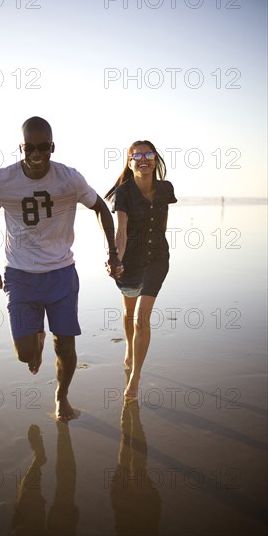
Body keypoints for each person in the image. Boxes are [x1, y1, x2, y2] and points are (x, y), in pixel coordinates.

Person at [0, 116, 122, 421]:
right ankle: (36, 339)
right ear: (21, 146)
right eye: (30, 147)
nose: (36, 153)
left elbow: (99, 208)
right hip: (20, 275)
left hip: (61, 274)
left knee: (66, 347)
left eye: (43, 147)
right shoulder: (2, 181)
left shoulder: (69, 178)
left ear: (52, 147)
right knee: (24, 355)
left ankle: (61, 397)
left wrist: (113, 252)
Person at [104, 140, 177, 399]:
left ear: (155, 159)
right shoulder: (123, 193)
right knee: (128, 310)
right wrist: (116, 259)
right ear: (130, 161)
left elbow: (162, 226)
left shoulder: (166, 189)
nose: (143, 159)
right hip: (130, 260)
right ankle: (129, 347)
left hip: (157, 259)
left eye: (148, 154)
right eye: (137, 155)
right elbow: (121, 231)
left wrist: (156, 248)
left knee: (141, 318)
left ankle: (135, 378)